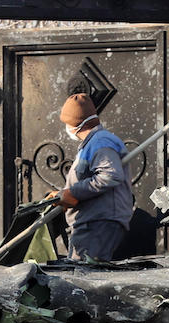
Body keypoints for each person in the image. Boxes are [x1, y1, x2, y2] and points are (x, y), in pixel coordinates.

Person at [50, 93, 134, 261]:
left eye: (67, 123)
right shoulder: (93, 143)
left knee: (84, 278)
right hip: (93, 223)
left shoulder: (101, 142)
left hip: (98, 224)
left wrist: (73, 193)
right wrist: (64, 195)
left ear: (75, 123)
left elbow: (109, 176)